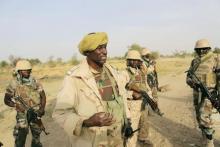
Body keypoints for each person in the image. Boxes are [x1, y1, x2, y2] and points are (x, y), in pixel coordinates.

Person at [52, 32, 131, 147]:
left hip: (117, 138)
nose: (104, 51)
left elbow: (120, 100)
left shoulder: (111, 71)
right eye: (99, 48)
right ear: (88, 52)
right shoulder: (74, 78)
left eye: (105, 47)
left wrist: (126, 121)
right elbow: (60, 114)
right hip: (94, 141)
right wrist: (87, 122)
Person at [4, 59, 46, 147]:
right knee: (20, 138)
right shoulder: (14, 83)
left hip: (35, 113)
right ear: (19, 71)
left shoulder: (35, 81)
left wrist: (42, 109)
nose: (27, 71)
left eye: (28, 69)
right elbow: (6, 100)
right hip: (22, 115)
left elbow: (43, 96)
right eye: (24, 70)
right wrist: (16, 105)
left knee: (36, 137)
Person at [186, 39, 220, 147]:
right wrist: (191, 82)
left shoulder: (216, 60)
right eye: (199, 49)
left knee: (204, 117)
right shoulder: (194, 61)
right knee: (198, 117)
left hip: (209, 93)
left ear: (208, 49)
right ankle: (204, 140)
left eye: (203, 49)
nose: (201, 51)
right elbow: (188, 77)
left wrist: (217, 96)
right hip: (197, 93)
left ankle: (210, 143)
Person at [123, 50, 154, 147]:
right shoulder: (124, 73)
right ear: (128, 61)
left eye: (136, 60)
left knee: (144, 122)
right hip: (132, 104)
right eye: (131, 60)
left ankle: (143, 139)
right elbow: (121, 91)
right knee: (132, 127)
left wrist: (150, 98)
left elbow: (145, 86)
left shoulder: (140, 72)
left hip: (143, 102)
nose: (134, 62)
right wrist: (132, 94)